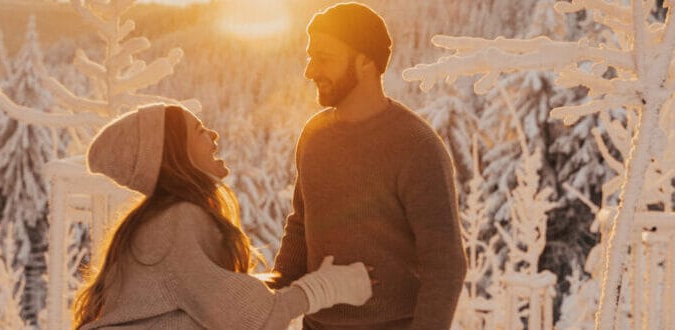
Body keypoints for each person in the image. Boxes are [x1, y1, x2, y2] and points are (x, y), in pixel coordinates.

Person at [73, 103, 373, 330]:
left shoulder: (160, 220)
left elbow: (203, 296)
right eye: (200, 131)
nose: (213, 135)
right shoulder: (176, 223)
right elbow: (245, 317)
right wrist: (327, 287)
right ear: (175, 153)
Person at [269, 3, 467, 329]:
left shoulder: (417, 146)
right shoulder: (314, 136)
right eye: (310, 57)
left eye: (324, 58)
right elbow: (302, 226)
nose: (310, 70)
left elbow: (445, 266)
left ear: (365, 63)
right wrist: (270, 299)